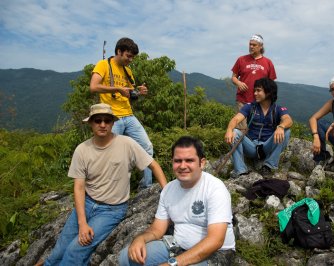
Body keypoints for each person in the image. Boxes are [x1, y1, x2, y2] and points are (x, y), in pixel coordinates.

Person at [36, 103, 167, 266]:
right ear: (90, 123)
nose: (103, 124)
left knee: (75, 249)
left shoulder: (127, 144)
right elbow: (78, 187)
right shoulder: (82, 150)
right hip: (87, 203)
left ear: (113, 123)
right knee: (59, 251)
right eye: (98, 120)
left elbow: (153, 165)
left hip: (112, 210)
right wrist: (82, 223)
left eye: (107, 120)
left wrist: (167, 192)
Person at [119, 136, 236, 266]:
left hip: (215, 253)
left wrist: (172, 263)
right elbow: (157, 229)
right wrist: (140, 239)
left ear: (201, 163)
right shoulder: (168, 189)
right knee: (127, 257)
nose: (182, 166)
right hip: (177, 247)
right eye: (178, 161)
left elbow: (216, 240)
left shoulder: (215, 189)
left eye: (189, 160)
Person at [90, 37, 154, 189]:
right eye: (128, 56)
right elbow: (93, 87)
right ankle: (107, 190)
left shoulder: (127, 71)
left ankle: (146, 187)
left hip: (129, 115)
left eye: (132, 57)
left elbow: (130, 93)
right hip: (112, 117)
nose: (130, 60)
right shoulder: (103, 65)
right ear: (119, 51)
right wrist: (116, 89)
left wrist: (139, 91)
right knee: (111, 155)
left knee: (147, 147)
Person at [225, 78, 292, 177]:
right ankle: (241, 171)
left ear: (268, 92)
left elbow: (288, 120)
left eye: (258, 90)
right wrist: (229, 130)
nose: (255, 93)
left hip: (267, 147)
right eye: (255, 90)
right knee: (235, 132)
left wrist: (281, 127)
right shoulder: (250, 107)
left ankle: (268, 166)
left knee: (286, 131)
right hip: (251, 146)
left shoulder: (278, 109)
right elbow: (235, 119)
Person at [231, 34, 277, 129]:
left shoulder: (268, 62)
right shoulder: (241, 59)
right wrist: (239, 83)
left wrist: (269, 100)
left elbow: (271, 84)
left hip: (260, 102)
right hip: (242, 100)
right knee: (241, 129)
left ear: (260, 46)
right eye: (250, 44)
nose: (251, 46)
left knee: (256, 128)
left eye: (254, 45)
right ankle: (240, 144)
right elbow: (233, 77)